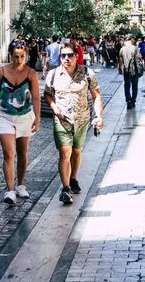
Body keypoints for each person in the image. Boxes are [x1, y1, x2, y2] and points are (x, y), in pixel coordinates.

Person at [44, 43, 104, 204]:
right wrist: (54, 108)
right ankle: (65, 188)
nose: (66, 59)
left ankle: (73, 178)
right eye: (63, 55)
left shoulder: (87, 74)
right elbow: (47, 95)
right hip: (62, 121)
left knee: (76, 152)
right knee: (65, 153)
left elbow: (96, 95)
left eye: (70, 55)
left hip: (82, 120)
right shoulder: (53, 75)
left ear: (76, 56)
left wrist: (99, 116)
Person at [0, 40, 40, 204]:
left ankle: (20, 184)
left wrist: (37, 118)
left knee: (22, 154)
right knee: (8, 154)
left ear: (25, 56)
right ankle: (10, 190)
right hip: (4, 116)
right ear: (10, 56)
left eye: (22, 56)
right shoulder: (1, 72)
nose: (19, 59)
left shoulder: (31, 73)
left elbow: (35, 98)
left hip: (25, 117)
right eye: (16, 56)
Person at [118, 35, 142, 110]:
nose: (134, 41)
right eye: (134, 39)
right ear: (131, 39)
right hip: (134, 70)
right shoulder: (135, 48)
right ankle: (133, 100)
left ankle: (128, 101)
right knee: (135, 86)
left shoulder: (122, 49)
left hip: (126, 70)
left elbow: (120, 60)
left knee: (127, 86)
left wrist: (120, 68)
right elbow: (139, 59)